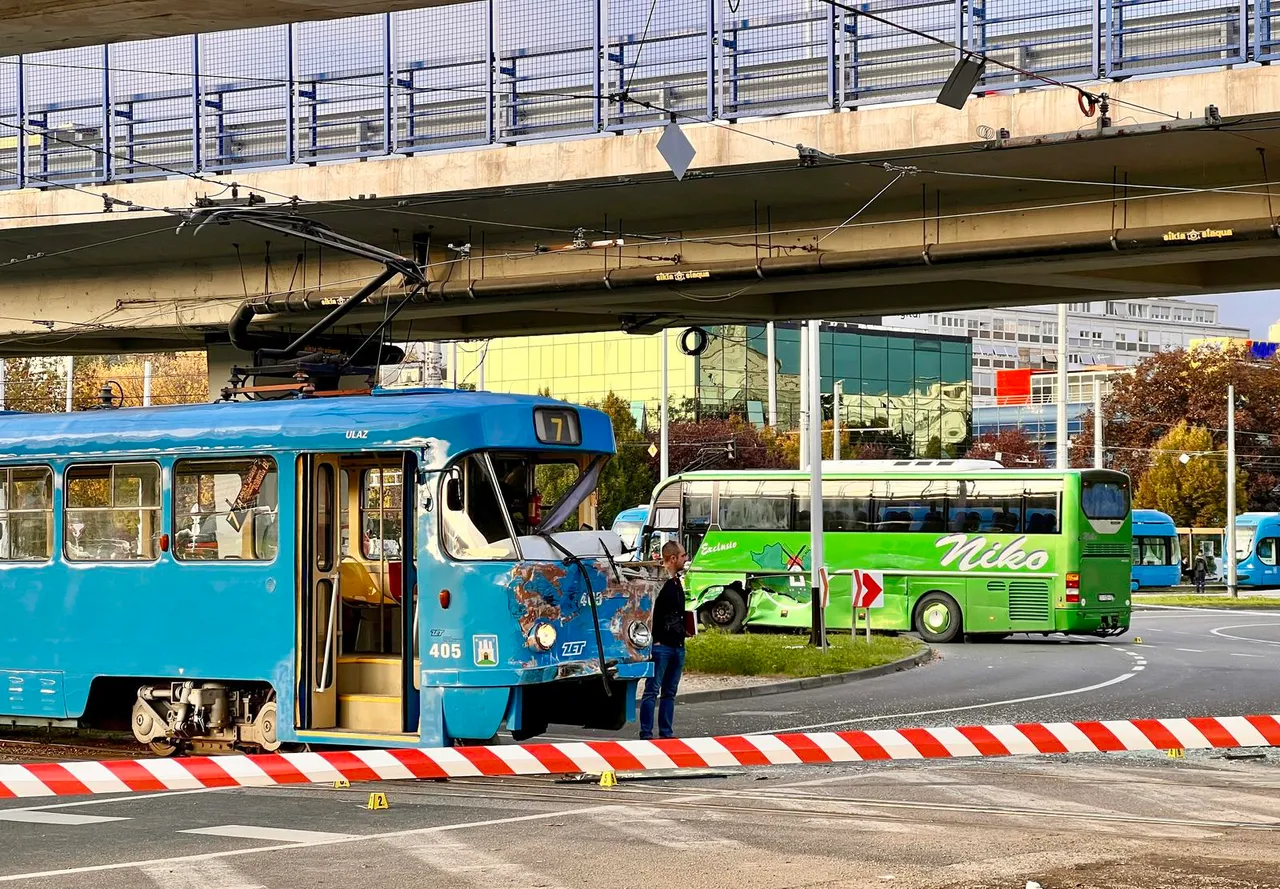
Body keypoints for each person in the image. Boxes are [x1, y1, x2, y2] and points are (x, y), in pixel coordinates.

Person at [639, 540, 689, 740]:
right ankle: (646, 733)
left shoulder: (676, 582)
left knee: (669, 692)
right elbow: (648, 613)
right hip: (662, 646)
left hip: (677, 644)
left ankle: (666, 733)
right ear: (673, 558)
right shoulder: (658, 584)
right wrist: (655, 640)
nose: (686, 559)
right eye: (683, 555)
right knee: (652, 690)